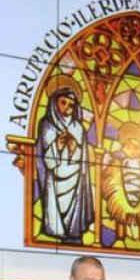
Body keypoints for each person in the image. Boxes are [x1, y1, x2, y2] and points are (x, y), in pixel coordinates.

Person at [38, 86, 94, 242]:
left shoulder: (79, 128)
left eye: (71, 105)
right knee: (57, 222)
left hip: (75, 181)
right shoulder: (47, 125)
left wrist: (74, 148)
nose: (67, 108)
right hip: (55, 181)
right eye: (63, 103)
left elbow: (82, 159)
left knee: (73, 223)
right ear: (55, 102)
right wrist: (57, 145)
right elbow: (46, 161)